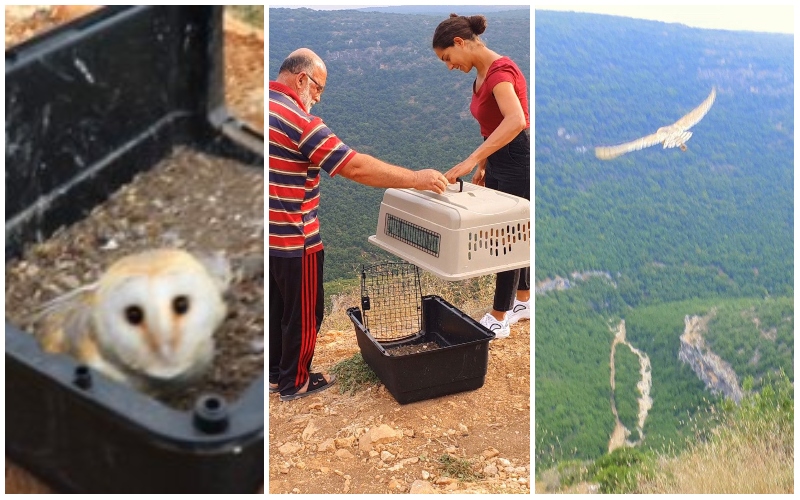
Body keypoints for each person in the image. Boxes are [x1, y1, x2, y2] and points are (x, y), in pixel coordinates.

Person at [269, 48, 449, 401]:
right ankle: (296, 381)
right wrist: (415, 178)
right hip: (295, 239)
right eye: (318, 89)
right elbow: (355, 166)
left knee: (275, 308)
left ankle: (276, 375)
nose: (317, 99)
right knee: (304, 313)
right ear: (302, 79)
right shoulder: (301, 122)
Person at [432, 14, 531, 339]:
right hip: (500, 158)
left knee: (510, 235)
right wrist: (484, 165)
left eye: (447, 58)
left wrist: (472, 158)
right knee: (516, 230)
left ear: (460, 43)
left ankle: (499, 317)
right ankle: (524, 301)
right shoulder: (481, 75)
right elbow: (492, 126)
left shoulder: (501, 73)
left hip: (517, 157)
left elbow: (516, 121)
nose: (448, 66)